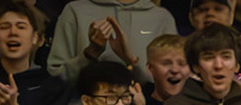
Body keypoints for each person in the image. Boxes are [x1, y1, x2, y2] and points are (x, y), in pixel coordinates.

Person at [48, 0, 178, 81]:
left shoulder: (161, 18)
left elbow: (170, 83)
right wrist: (90, 54)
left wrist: (132, 61)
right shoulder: (75, 11)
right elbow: (55, 79)